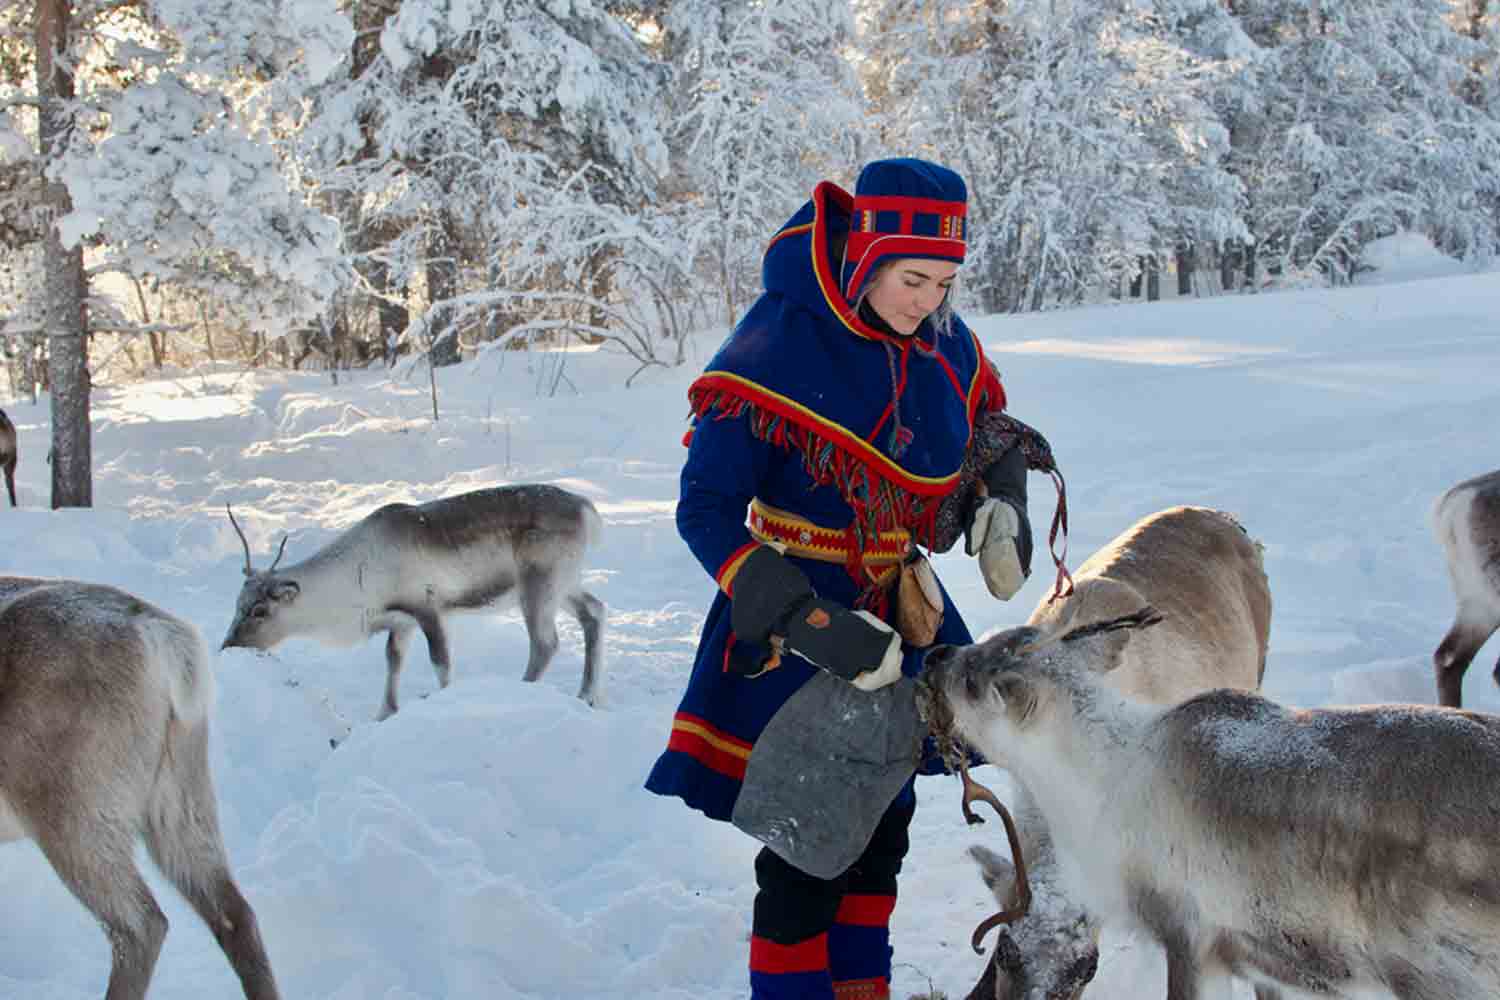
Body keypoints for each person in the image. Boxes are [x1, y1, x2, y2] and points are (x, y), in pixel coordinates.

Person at [644, 157, 1034, 1000]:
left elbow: (986, 426)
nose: (927, 300)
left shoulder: (944, 343)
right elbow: (704, 508)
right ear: (865, 259)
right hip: (796, 624)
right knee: (806, 854)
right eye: (911, 277)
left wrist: (1002, 496)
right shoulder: (781, 342)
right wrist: (801, 618)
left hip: (904, 611)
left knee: (880, 835)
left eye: (945, 280)